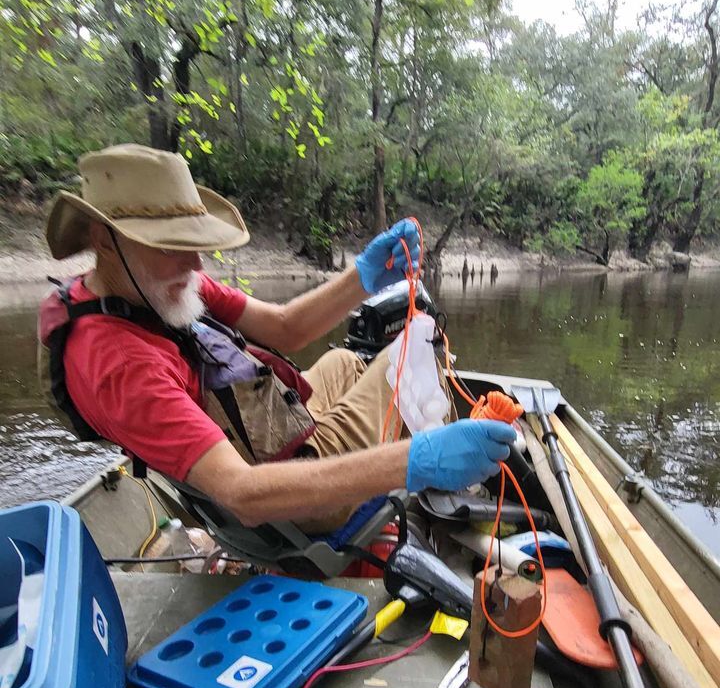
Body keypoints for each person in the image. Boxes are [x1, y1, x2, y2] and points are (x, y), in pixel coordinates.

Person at [41, 143, 514, 533]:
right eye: (174, 246)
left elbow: (286, 327)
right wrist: (415, 461)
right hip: (284, 499)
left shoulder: (150, 282)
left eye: (195, 244)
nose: (197, 267)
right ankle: (453, 488)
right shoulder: (119, 366)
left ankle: (431, 452)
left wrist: (364, 275)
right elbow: (244, 495)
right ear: (105, 240)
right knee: (416, 353)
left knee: (348, 364)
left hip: (268, 435)